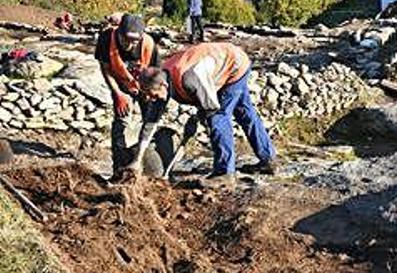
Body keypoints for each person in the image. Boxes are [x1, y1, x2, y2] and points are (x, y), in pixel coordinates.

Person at [134, 42, 277, 181]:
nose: (151, 98)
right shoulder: (160, 78)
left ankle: (225, 173)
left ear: (163, 85)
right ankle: (268, 159)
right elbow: (150, 122)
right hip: (216, 66)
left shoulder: (189, 79)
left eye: (152, 94)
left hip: (233, 64)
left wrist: (196, 119)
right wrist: (137, 160)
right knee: (245, 112)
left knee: (218, 118)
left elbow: (211, 107)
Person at [94, 13, 161, 180]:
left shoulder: (149, 44)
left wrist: (149, 94)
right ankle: (118, 169)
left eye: (135, 41)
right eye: (126, 40)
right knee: (121, 121)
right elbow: (106, 68)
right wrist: (117, 94)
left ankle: (145, 166)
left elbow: (155, 75)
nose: (130, 45)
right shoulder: (106, 38)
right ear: (119, 33)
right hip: (122, 86)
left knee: (151, 122)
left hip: (144, 86)